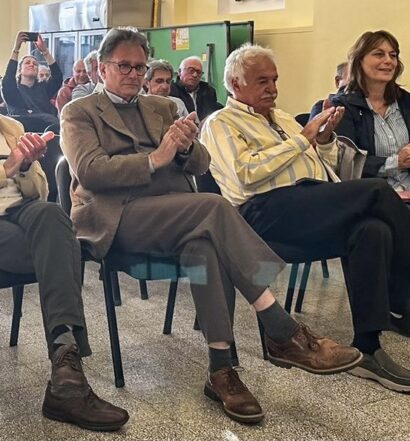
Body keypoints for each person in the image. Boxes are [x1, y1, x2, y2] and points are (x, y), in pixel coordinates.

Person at [60, 27, 362, 425]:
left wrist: (186, 147)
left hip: (177, 214)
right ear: (102, 68)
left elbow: (203, 165)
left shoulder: (162, 106)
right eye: (124, 66)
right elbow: (90, 171)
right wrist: (156, 158)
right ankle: (280, 328)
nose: (133, 73)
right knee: (213, 208)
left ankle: (221, 370)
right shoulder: (79, 111)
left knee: (204, 247)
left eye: (140, 67)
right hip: (116, 218)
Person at [200, 43, 410, 394]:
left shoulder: (282, 118)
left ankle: (368, 347)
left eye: (275, 80)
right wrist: (303, 139)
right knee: (375, 191)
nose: (272, 88)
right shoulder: (220, 123)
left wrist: (323, 140)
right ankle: (404, 297)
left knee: (371, 230)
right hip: (260, 214)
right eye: (262, 81)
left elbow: (325, 163)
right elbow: (245, 175)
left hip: (308, 206)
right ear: (236, 84)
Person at [0, 114, 128, 431]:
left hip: (23, 215)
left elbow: (40, 192)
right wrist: (7, 168)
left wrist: (26, 166)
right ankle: (67, 378)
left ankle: (65, 363)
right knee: (62, 248)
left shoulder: (11, 127)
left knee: (54, 215)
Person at [332, 30, 410, 190]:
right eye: (379, 54)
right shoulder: (343, 106)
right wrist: (395, 162)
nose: (388, 61)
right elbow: (346, 163)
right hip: (372, 195)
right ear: (359, 60)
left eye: (393, 55)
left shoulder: (406, 101)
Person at [1, 32, 61, 130]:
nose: (32, 65)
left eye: (35, 64)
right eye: (27, 63)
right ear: (20, 70)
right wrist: (16, 49)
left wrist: (45, 52)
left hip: (48, 130)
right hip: (23, 131)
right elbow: (8, 79)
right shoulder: (13, 91)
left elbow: (57, 77)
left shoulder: (44, 88)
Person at [170, 56, 223, 122]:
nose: (195, 75)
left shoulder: (208, 91)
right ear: (179, 72)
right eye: (191, 70)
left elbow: (215, 111)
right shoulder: (171, 91)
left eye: (198, 72)